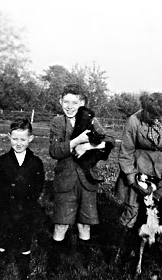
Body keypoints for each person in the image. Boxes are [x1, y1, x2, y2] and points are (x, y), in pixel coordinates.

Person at [115, 92, 162, 259]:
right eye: (151, 115)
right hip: (138, 169)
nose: (155, 120)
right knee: (132, 211)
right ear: (145, 110)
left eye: (160, 117)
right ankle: (124, 254)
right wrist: (132, 181)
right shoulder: (134, 120)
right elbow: (126, 154)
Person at [49, 84, 114, 250]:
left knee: (85, 224)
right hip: (65, 181)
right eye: (66, 102)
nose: (69, 106)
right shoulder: (58, 122)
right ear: (60, 101)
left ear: (82, 103)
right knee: (61, 224)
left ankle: (82, 265)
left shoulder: (91, 120)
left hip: (88, 180)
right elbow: (55, 151)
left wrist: (87, 147)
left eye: (74, 102)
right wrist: (76, 141)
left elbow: (110, 141)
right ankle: (56, 265)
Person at [0, 118, 45, 279]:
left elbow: (38, 186)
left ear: (30, 139)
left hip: (26, 209)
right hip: (4, 209)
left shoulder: (36, 163)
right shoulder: (2, 162)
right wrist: (3, 205)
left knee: (24, 239)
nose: (18, 143)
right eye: (15, 139)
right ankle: (0, 267)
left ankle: (23, 269)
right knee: (2, 237)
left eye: (23, 139)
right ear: (9, 136)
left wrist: (27, 205)